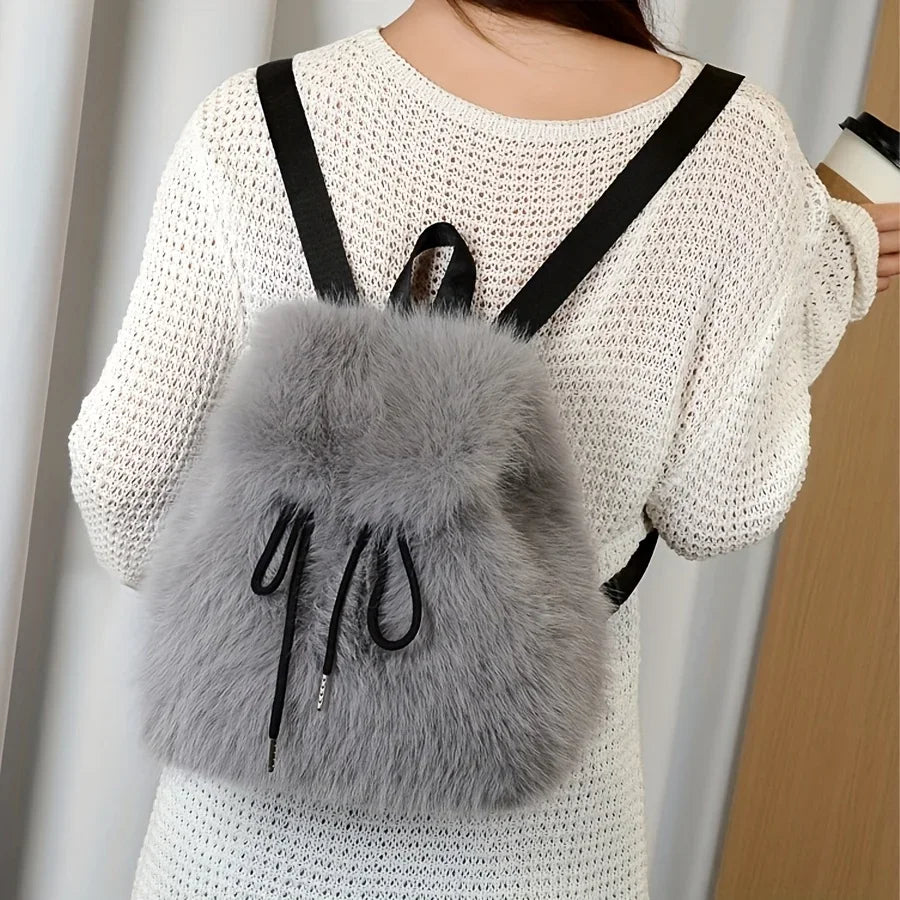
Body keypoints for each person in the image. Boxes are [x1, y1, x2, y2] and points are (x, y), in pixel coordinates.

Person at [67, 1, 899, 897]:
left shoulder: (252, 119)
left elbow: (126, 486)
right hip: (537, 849)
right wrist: (827, 278)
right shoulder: (738, 152)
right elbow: (718, 506)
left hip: (240, 828)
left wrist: (301, 591)